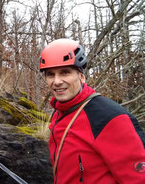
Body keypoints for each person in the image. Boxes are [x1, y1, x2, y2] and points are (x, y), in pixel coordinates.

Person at [40, 38, 145, 183]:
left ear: (81, 76)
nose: (57, 81)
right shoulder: (58, 113)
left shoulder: (110, 117)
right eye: (51, 74)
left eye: (65, 72)